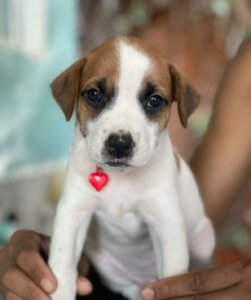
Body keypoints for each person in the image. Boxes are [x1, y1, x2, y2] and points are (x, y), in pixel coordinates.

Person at [1, 37, 251, 300]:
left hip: (176, 269)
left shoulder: (162, 166)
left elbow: (176, 230)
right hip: (108, 274)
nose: (121, 137)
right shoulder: (82, 156)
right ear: (72, 94)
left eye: (153, 102)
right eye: (95, 96)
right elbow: (71, 217)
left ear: (177, 104)